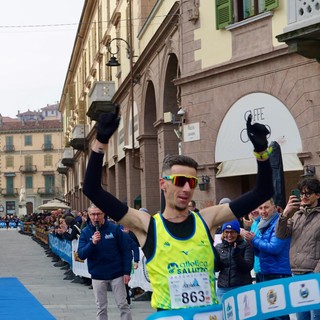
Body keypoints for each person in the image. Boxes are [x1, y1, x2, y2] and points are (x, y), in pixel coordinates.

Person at [82, 109, 274, 311]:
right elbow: (92, 189)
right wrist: (101, 140)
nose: (186, 188)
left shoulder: (207, 219)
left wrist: (262, 153)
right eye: (180, 181)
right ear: (162, 184)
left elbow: (262, 192)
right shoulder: (148, 225)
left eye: (192, 182)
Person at [77, 205, 132, 320]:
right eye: (92, 214)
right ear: (88, 215)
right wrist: (92, 243)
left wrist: (127, 271)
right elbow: (81, 254)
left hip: (116, 274)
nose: (96, 217)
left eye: (99, 214)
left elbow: (126, 251)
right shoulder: (85, 232)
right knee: (101, 307)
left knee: (123, 305)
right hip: (97, 275)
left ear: (104, 214)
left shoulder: (114, 229)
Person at [276, 177, 320, 320]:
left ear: (317, 195)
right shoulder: (297, 215)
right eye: (302, 193)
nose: (304, 197)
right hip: (296, 273)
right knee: (301, 316)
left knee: (315, 316)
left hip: (314, 274)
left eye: (308, 193)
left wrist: (316, 273)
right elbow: (281, 234)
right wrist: (285, 213)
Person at [243, 199, 291, 320]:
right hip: (266, 272)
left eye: (266, 207)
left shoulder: (279, 223)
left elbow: (274, 248)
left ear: (274, 207)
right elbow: (260, 253)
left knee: (280, 313)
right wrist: (251, 244)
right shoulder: (262, 224)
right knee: (268, 313)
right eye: (260, 208)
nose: (263, 211)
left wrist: (254, 240)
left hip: (279, 273)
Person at [214, 219, 254, 302]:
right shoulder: (218, 247)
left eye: (232, 232)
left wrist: (236, 256)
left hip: (242, 287)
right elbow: (217, 268)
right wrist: (215, 259)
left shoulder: (246, 246)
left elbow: (248, 266)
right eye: (227, 232)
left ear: (237, 233)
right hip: (223, 288)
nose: (229, 235)